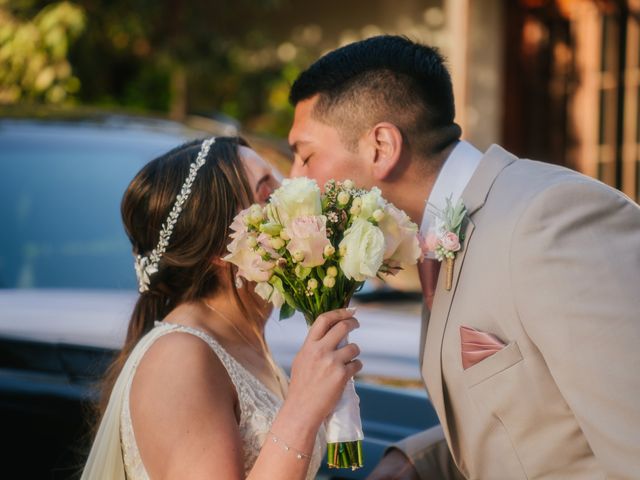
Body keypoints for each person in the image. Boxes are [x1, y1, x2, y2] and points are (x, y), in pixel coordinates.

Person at [288, 35, 640, 479]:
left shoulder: (553, 219)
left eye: (305, 156)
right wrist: (417, 461)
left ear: (381, 147)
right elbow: (538, 410)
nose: (295, 178)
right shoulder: (437, 238)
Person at [82, 136, 363, 480]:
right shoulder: (179, 359)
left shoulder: (243, 338)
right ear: (222, 247)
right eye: (269, 194)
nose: (296, 193)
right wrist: (303, 407)